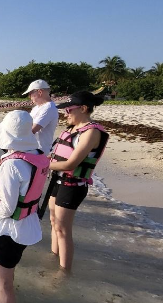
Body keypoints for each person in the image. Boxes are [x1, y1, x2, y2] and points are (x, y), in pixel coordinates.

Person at [0, 110, 49, 303]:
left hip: (9, 229)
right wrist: (2, 167)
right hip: (26, 223)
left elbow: (7, 209)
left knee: (5, 284)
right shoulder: (37, 155)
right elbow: (25, 180)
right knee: (5, 276)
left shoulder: (12, 165)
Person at [49, 91, 110, 271]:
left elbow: (71, 164)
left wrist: (42, 164)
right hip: (58, 181)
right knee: (54, 223)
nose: (65, 113)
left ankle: (64, 273)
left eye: (68, 110)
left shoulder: (91, 132)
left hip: (73, 185)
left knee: (63, 229)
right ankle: (53, 260)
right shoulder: (71, 129)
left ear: (83, 108)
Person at [22, 79, 59, 154]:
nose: (29, 97)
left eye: (30, 94)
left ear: (39, 92)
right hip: (31, 149)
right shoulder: (37, 108)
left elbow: (32, 130)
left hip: (39, 151)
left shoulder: (49, 108)